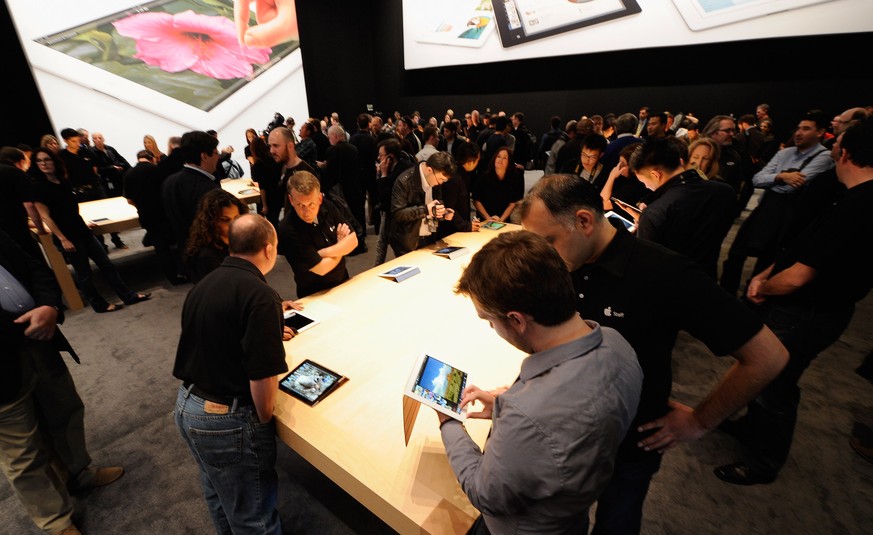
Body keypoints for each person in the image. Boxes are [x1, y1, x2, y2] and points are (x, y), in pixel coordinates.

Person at [520, 174, 788, 534]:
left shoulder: (665, 272)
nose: (545, 255)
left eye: (549, 241)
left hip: (630, 444)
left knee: (618, 520)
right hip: (565, 439)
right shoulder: (564, 264)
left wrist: (701, 421)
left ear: (584, 221)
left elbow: (767, 355)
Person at [440, 230, 643, 534]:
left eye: (489, 321)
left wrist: (449, 422)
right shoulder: (619, 346)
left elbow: (487, 494)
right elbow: (570, 425)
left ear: (517, 320)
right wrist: (504, 407)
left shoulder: (529, 415)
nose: (492, 328)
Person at [714, 117, 873, 485]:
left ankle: (764, 462)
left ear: (844, 152)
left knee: (775, 384)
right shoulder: (855, 199)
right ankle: (751, 428)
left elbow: (801, 275)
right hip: (817, 310)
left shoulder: (856, 206)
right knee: (769, 380)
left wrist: (762, 288)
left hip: (806, 312)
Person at [0, 231, 125, 535]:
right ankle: (56, 522)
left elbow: (35, 268)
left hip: (40, 344)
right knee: (22, 453)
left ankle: (77, 474)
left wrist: (49, 306)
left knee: (65, 412)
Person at [173, 214, 290, 535]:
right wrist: (265, 422)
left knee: (220, 495)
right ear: (268, 250)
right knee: (255, 517)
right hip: (226, 418)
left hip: (187, 404)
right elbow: (262, 377)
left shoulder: (205, 283)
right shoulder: (260, 295)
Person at [720, 111, 834, 297]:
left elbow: (793, 188)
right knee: (736, 254)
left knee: (765, 262)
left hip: (788, 218)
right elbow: (757, 179)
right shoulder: (786, 153)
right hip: (764, 211)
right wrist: (782, 176)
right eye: (798, 128)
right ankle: (725, 293)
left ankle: (751, 298)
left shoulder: (824, 157)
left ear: (820, 132)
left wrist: (773, 180)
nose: (798, 133)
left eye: (806, 129)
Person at [30, 148, 150, 313]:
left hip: (81, 230)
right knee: (84, 274)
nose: (43, 164)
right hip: (68, 236)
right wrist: (63, 238)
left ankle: (128, 295)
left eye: (47, 160)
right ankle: (99, 305)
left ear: (54, 161)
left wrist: (84, 223)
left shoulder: (63, 181)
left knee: (107, 265)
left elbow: (71, 209)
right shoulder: (38, 188)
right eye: (39, 161)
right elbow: (46, 217)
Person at [629, 138, 737, 279]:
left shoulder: (655, 212)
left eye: (643, 181)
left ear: (656, 174)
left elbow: (648, 265)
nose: (646, 186)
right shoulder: (725, 192)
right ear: (680, 162)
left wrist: (645, 225)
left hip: (672, 286)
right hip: (707, 278)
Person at [278, 171, 358, 298]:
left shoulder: (327, 205)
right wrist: (340, 246)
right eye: (300, 205)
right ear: (291, 200)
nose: (307, 211)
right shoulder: (287, 230)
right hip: (314, 295)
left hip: (343, 282)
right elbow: (322, 269)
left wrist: (323, 253)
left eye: (311, 204)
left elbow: (353, 241)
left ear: (320, 198)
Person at [123, 150, 186, 285]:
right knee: (179, 240)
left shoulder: (129, 174)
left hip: (146, 215)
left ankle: (172, 278)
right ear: (152, 159)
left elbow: (129, 200)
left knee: (161, 247)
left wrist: (140, 206)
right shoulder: (157, 170)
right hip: (164, 214)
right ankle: (185, 271)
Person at [389, 151, 457, 256]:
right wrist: (425, 210)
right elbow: (398, 213)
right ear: (429, 170)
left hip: (430, 238)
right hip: (408, 243)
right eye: (441, 180)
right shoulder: (404, 181)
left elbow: (435, 205)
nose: (440, 183)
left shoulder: (435, 179)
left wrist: (442, 213)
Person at [161, 131, 221, 249]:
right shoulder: (209, 189)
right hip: (209, 255)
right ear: (204, 156)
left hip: (183, 251)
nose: (218, 157)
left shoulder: (169, 182)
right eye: (215, 153)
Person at [184, 189, 249, 284]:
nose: (233, 224)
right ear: (211, 221)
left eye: (236, 218)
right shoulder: (207, 257)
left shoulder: (235, 241)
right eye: (225, 220)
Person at [0, 146, 46, 260]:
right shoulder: (16, 173)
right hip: (15, 228)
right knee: (32, 259)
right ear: (21, 161)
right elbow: (29, 204)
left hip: (4, 231)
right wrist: (41, 230)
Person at [267, 126, 318, 228]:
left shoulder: (305, 172)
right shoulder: (283, 166)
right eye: (270, 146)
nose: (271, 151)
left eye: (276, 146)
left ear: (290, 146)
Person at [373, 138, 414, 266]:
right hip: (393, 216)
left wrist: (383, 174)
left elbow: (384, 198)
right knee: (382, 243)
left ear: (390, 158)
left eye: (381, 155)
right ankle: (376, 267)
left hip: (397, 218)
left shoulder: (397, 173)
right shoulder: (402, 165)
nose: (378, 158)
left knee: (388, 244)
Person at [472, 147, 524, 223]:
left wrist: (501, 219)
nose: (500, 160)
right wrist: (488, 218)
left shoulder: (514, 178)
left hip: (503, 219)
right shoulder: (484, 177)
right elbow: (476, 201)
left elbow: (512, 203)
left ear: (509, 162)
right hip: (484, 219)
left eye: (505, 158)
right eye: (498, 156)